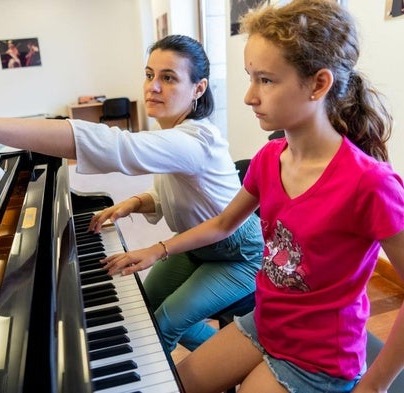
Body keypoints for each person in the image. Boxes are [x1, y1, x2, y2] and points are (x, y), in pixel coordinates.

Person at [0, 34, 264, 353]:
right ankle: (229, 350)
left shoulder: (195, 139)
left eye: (169, 78)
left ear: (198, 88)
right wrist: (131, 203)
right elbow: (171, 194)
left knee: (162, 324)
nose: (154, 87)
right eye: (149, 75)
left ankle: (230, 356)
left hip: (238, 254)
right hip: (196, 245)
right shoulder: (171, 137)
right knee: (146, 308)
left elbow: (115, 147)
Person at [99, 1, 404, 392]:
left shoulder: (371, 184)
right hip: (266, 320)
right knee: (179, 384)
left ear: (319, 84)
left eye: (266, 80)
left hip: (319, 355)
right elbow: (225, 223)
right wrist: (158, 249)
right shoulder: (269, 158)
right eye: (250, 77)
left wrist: (373, 387)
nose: (249, 97)